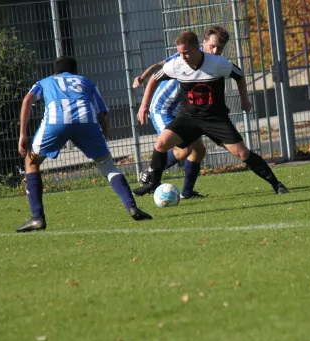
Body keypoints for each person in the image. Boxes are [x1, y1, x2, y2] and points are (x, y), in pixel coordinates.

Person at [135, 31, 289, 197]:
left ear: (196, 49)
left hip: (215, 119)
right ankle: (153, 184)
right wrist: (143, 106)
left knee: (243, 153)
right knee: (161, 143)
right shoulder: (176, 64)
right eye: (180, 53)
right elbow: (154, 78)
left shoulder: (217, 63)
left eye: (186, 52)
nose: (183, 57)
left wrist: (244, 100)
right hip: (188, 118)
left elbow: (239, 75)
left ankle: (277, 184)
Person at [16, 57, 152, 232]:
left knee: (31, 162)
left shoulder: (45, 81)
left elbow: (28, 100)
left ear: (55, 72)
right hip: (86, 120)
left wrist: (22, 134)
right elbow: (102, 115)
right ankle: (132, 207)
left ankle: (37, 218)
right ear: (75, 72)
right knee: (108, 166)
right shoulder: (86, 82)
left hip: (56, 121)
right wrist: (102, 138)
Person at [133, 26, 231, 199]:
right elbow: (159, 66)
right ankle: (151, 171)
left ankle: (187, 192)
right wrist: (142, 78)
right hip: (161, 108)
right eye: (212, 46)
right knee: (183, 150)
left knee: (199, 151)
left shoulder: (209, 62)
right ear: (204, 43)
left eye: (220, 48)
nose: (215, 51)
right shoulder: (187, 54)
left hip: (178, 111)